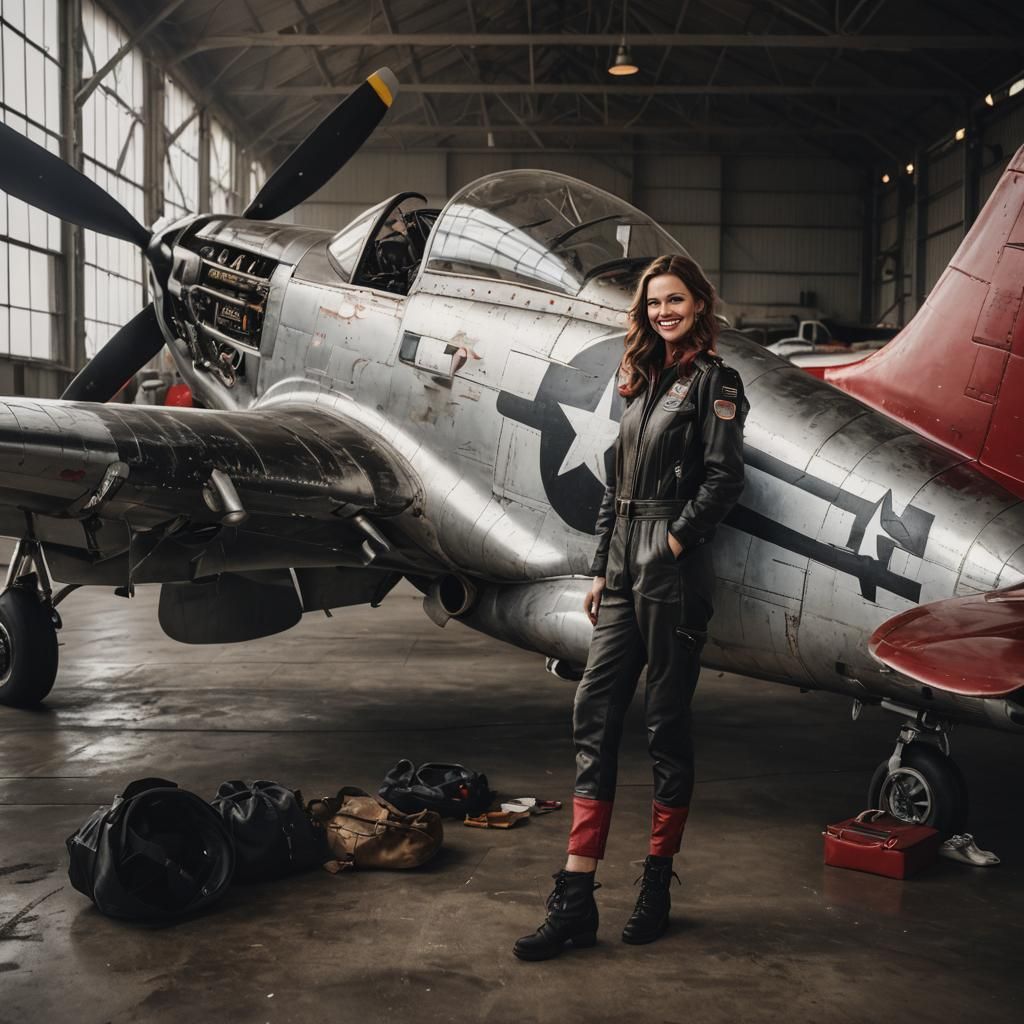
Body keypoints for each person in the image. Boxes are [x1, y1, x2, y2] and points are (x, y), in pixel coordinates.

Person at [514, 253, 747, 961]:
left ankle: (655, 887)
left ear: (698, 306)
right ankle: (576, 897)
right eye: (653, 303)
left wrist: (672, 544)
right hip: (620, 568)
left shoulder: (716, 383)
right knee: (594, 710)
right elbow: (617, 488)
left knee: (666, 729)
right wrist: (600, 567)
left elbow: (723, 477)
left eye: (675, 301)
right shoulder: (640, 382)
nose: (663, 312)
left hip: (672, 571)